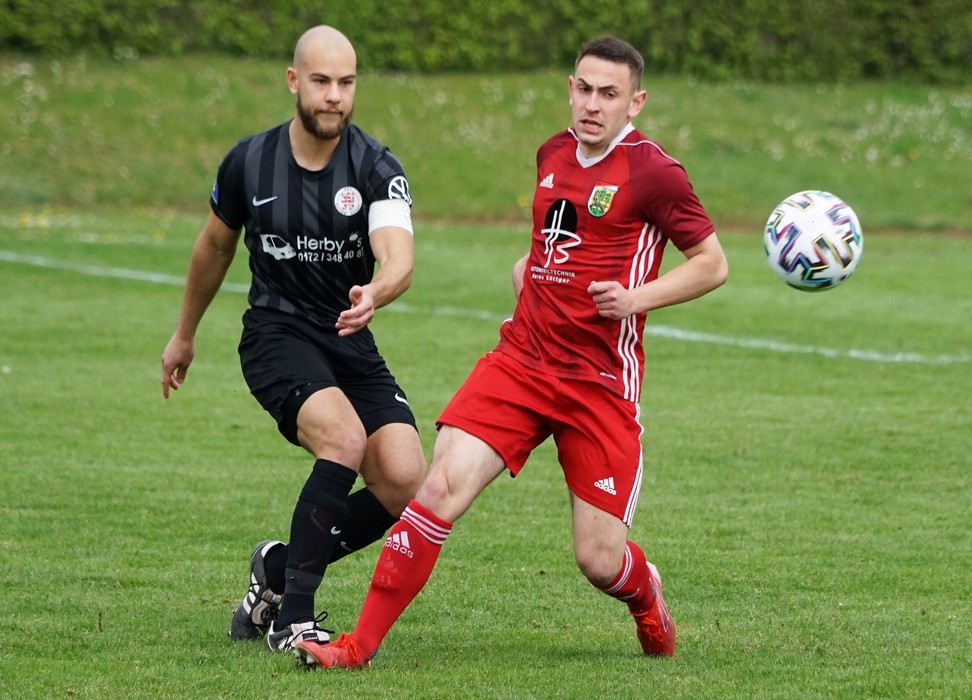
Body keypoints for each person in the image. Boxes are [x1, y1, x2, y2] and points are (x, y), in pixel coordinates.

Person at [293, 36, 729, 670]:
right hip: (522, 362)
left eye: (609, 94)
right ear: (570, 89)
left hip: (598, 382)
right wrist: (530, 271)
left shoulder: (654, 173)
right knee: (438, 487)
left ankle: (645, 596)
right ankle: (357, 646)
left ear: (635, 102)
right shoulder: (552, 153)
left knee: (598, 559)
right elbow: (554, 240)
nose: (593, 104)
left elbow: (712, 264)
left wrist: (636, 299)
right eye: (584, 89)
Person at [160, 25, 427, 652]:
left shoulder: (377, 167)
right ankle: (292, 619)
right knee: (343, 439)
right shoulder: (249, 161)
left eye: (347, 82)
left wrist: (376, 291)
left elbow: (399, 256)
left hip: (348, 334)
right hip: (275, 334)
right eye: (322, 81)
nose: (335, 96)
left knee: (404, 480)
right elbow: (214, 248)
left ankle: (277, 570)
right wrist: (184, 335)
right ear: (293, 81)